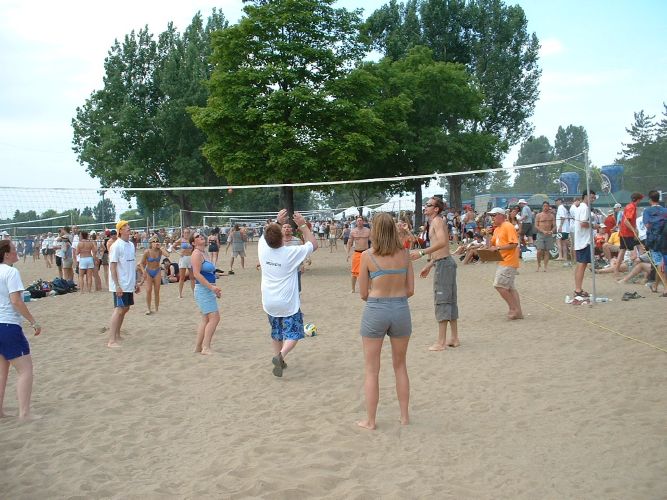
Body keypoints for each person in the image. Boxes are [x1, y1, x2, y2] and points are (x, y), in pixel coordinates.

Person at [357, 212, 414, 430]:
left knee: (372, 369)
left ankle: (371, 420)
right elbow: (410, 290)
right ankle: (404, 416)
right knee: (400, 365)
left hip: (376, 308)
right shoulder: (405, 254)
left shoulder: (367, 256)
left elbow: (363, 293)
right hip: (400, 308)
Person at [259, 209, 317, 377]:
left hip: (269, 300)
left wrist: (277, 221)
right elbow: (314, 244)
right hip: (287, 302)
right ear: (282, 237)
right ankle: (280, 356)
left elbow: (266, 234)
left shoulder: (262, 247)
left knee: (276, 332)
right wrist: (303, 226)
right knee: (295, 332)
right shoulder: (290, 252)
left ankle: (279, 361)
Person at [410, 197, 460, 349]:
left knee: (442, 301)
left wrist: (422, 253)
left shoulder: (437, 221)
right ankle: (454, 338)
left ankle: (441, 342)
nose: (425, 207)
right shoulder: (435, 222)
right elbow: (442, 249)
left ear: (436, 209)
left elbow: (443, 242)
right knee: (450, 301)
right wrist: (430, 264)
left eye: (429, 205)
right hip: (444, 262)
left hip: (444, 264)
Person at [0, 240, 42, 419]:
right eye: (13, 249)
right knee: (25, 370)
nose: (17, 251)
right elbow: (16, 301)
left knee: (2, 370)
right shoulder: (11, 272)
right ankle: (24, 413)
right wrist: (33, 321)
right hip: (8, 325)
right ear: (6, 254)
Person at [107, 220, 140, 348]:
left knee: (126, 308)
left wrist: (135, 282)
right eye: (125, 226)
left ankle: (118, 334)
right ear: (120, 230)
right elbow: (112, 267)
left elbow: (132, 265)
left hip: (129, 283)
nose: (128, 227)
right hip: (120, 284)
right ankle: (111, 341)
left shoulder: (131, 245)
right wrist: (117, 285)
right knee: (119, 309)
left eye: (128, 226)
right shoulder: (116, 246)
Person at [487, 207, 523, 319]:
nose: (492, 218)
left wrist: (498, 248)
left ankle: (513, 309)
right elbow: (490, 245)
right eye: (491, 216)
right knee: (510, 288)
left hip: (509, 261)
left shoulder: (508, 226)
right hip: (503, 261)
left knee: (499, 285)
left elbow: (514, 244)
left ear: (501, 215)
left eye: (494, 215)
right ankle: (518, 312)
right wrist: (488, 234)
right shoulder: (497, 229)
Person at [190, 232, 222, 355]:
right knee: (214, 318)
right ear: (193, 242)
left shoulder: (204, 253)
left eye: (201, 235)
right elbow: (196, 274)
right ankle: (206, 347)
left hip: (208, 289)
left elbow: (210, 273)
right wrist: (211, 288)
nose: (201, 236)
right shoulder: (196, 254)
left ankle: (198, 347)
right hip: (203, 290)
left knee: (206, 319)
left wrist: (214, 289)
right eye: (197, 237)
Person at [573, 190, 596, 298]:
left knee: (580, 265)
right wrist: (594, 226)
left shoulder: (580, 207)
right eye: (591, 197)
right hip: (584, 241)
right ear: (585, 196)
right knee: (582, 265)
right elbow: (583, 223)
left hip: (580, 240)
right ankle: (578, 290)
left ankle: (578, 288)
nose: (592, 199)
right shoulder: (585, 208)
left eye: (594, 198)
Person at [614, 192, 644, 277]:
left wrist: (635, 229)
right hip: (628, 234)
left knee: (623, 250)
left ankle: (616, 270)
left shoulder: (629, 206)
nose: (640, 201)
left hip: (624, 233)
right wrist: (634, 230)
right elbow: (626, 221)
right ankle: (635, 271)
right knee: (635, 252)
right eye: (640, 199)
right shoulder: (632, 207)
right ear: (638, 199)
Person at [140, 236, 169, 314]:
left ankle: (156, 308)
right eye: (154, 241)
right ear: (151, 243)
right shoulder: (147, 252)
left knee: (157, 291)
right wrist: (143, 271)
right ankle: (148, 308)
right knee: (148, 290)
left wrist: (161, 248)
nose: (156, 243)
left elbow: (167, 255)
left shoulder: (160, 251)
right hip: (149, 271)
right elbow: (141, 263)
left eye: (157, 241)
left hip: (157, 271)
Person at [346, 216, 371, 293]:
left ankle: (369, 288)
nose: (359, 222)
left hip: (366, 252)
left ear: (363, 221)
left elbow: (373, 241)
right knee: (354, 272)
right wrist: (348, 253)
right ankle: (353, 289)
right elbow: (349, 242)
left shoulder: (368, 231)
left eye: (360, 220)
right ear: (356, 222)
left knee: (369, 271)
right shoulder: (353, 231)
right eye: (358, 221)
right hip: (357, 252)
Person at [173, 228, 195, 298]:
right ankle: (180, 294)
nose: (186, 234)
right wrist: (179, 253)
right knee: (182, 277)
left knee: (192, 277)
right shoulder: (181, 240)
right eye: (185, 233)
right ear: (183, 233)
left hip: (190, 258)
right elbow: (172, 247)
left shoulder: (191, 240)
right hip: (183, 258)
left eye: (188, 232)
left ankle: (194, 292)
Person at [534, 201, 556, 272]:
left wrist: (551, 231)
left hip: (549, 234)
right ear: (542, 207)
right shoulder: (538, 215)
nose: (545, 207)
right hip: (540, 234)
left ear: (549, 207)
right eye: (544, 206)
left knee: (547, 251)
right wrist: (543, 231)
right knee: (539, 250)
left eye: (547, 206)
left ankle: (545, 266)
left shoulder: (551, 215)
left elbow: (554, 225)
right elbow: (536, 225)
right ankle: (538, 264)